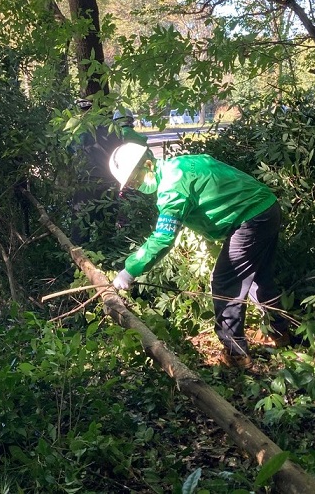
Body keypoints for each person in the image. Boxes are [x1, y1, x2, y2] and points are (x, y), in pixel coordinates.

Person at [108, 142, 285, 368]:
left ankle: (235, 353)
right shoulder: (180, 164)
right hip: (267, 207)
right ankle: (279, 332)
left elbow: (162, 238)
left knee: (224, 283)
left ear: (149, 164)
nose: (136, 185)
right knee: (258, 278)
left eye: (136, 179)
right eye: (132, 184)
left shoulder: (171, 189)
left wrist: (129, 270)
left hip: (249, 219)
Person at [69, 107, 147, 244]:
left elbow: (70, 149)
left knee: (80, 228)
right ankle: (105, 259)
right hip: (111, 184)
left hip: (87, 183)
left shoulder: (82, 130)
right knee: (107, 228)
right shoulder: (116, 132)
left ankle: (77, 261)